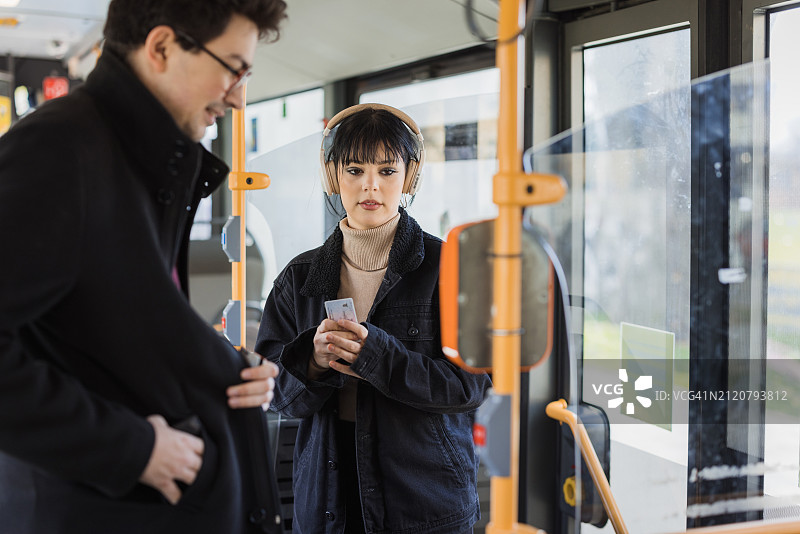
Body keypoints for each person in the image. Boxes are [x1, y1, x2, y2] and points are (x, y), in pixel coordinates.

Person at [0, 1, 287, 533]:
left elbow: (105, 326)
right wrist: (131, 450)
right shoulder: (61, 149)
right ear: (161, 48)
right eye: (233, 68)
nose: (239, 95)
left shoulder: (142, 160)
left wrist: (221, 370)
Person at [255, 103, 492, 534]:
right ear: (333, 176)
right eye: (354, 170)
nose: (370, 186)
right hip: (329, 494)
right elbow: (274, 393)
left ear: (409, 176)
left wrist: (378, 356)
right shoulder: (298, 278)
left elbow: (469, 385)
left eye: (386, 171)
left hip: (423, 498)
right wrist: (311, 360)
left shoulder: (450, 266)